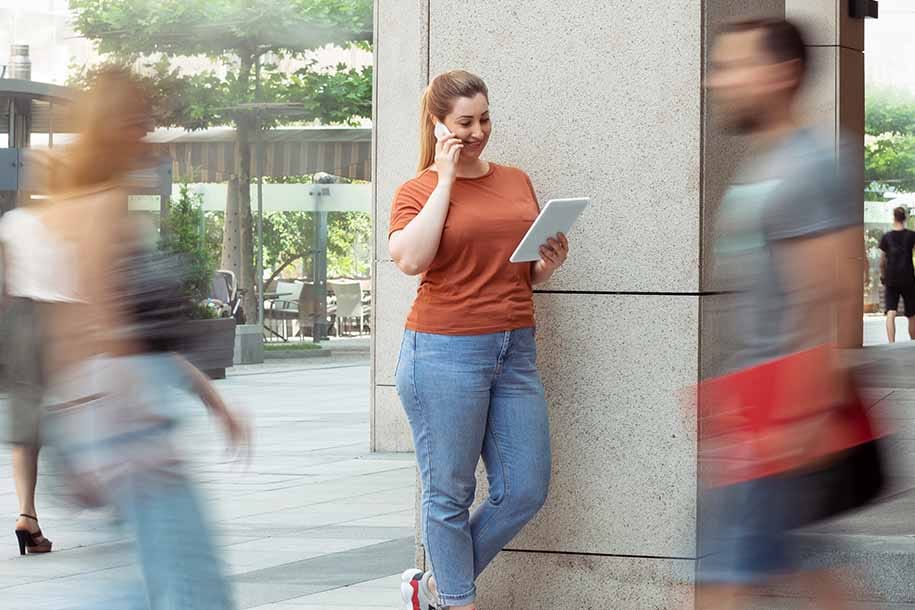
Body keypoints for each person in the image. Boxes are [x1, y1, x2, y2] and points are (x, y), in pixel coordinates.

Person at [36, 67, 247, 609]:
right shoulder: (102, 207)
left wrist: (212, 400)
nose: (148, 137)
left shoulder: (75, 206)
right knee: (191, 583)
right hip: (126, 419)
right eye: (139, 123)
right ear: (117, 127)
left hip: (111, 413)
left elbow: (129, 331)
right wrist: (130, 421)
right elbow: (100, 325)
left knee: (154, 579)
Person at [389, 70, 569, 610]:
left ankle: (436, 587)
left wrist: (544, 266)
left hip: (514, 348)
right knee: (449, 494)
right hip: (444, 351)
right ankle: (458, 601)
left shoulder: (515, 179)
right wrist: (445, 180)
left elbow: (513, 270)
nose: (478, 131)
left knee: (524, 490)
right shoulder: (416, 189)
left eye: (484, 118)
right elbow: (412, 259)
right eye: (465, 122)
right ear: (439, 125)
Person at [701, 18, 864, 610]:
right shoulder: (765, 163)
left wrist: (801, 417)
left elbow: (835, 293)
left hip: (780, 417)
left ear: (782, 74)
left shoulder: (809, 165)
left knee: (720, 581)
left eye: (731, 67)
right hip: (757, 407)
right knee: (799, 570)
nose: (714, 81)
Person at [0, 194, 66, 555]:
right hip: (63, 317)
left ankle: (27, 515)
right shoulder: (75, 221)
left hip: (19, 321)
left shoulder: (14, 222)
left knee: (26, 424)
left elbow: (5, 287)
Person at [879, 206, 915, 342]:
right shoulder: (912, 235)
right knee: (912, 314)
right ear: (905, 218)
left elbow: (882, 261)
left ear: (894, 218)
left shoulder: (886, 237)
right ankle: (913, 343)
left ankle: (891, 344)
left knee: (891, 312)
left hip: (892, 279)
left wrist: (883, 276)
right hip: (908, 279)